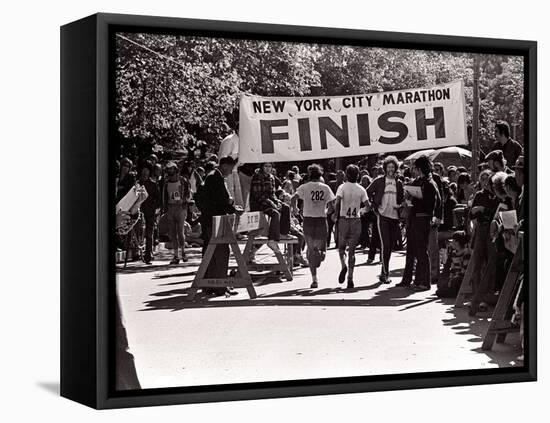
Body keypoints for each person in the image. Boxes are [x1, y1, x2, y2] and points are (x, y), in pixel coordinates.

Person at [199, 156, 242, 296]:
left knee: (211, 253)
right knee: (220, 252)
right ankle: (219, 285)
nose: (231, 171)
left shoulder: (213, 177)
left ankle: (210, 284)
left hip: (212, 219)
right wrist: (232, 208)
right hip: (215, 220)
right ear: (224, 165)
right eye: (230, 168)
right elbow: (219, 201)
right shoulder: (214, 178)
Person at [397, 156, 440, 291]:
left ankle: (424, 282)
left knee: (421, 251)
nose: (413, 171)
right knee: (411, 250)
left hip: (422, 219)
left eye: (415, 168)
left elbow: (431, 203)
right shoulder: (419, 181)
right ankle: (410, 279)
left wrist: (415, 199)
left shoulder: (429, 183)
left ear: (420, 168)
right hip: (414, 218)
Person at [292, 164, 336, 288]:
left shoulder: (304, 187)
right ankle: (317, 257)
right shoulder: (325, 187)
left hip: (308, 220)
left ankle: (314, 278)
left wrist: (295, 208)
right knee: (320, 251)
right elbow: (333, 205)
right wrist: (329, 212)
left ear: (310, 175)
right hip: (321, 220)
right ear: (320, 175)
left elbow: (293, 198)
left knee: (312, 250)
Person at [366, 155, 404, 284]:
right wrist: (374, 206)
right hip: (382, 216)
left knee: (390, 246)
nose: (391, 169)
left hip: (394, 217)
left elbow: (402, 198)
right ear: (385, 168)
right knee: (385, 245)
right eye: (388, 167)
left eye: (393, 167)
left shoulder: (399, 183)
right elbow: (367, 192)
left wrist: (401, 205)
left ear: (396, 168)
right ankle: (385, 273)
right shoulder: (379, 181)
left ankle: (384, 272)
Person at [333, 165, 368, 289]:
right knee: (352, 251)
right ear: (358, 175)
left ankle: (343, 266)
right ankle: (350, 278)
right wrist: (361, 211)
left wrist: (335, 216)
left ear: (346, 175)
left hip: (343, 220)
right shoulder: (361, 189)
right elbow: (368, 206)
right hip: (356, 220)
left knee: (342, 248)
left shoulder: (342, 187)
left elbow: (337, 203)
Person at [249, 162, 291, 253]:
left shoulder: (271, 177)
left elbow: (272, 194)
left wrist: (277, 202)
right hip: (258, 204)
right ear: (262, 167)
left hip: (269, 202)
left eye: (270, 166)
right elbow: (258, 195)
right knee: (275, 213)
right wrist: (272, 203)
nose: (268, 168)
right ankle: (272, 240)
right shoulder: (257, 177)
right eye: (266, 166)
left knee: (286, 207)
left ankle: (283, 233)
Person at [161, 162, 191, 264]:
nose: (170, 172)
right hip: (170, 207)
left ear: (176, 170)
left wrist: (184, 200)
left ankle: (183, 252)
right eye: (168, 170)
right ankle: (175, 255)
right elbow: (164, 196)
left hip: (181, 208)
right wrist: (164, 209)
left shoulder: (183, 181)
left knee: (180, 231)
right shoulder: (166, 182)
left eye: (172, 169)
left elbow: (188, 194)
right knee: (172, 232)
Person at [436, 230, 471, 298]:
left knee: (455, 282)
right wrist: (450, 278)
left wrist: (454, 279)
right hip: (455, 276)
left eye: (454, 241)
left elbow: (464, 270)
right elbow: (452, 268)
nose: (452, 243)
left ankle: (454, 292)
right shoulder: (454, 253)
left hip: (461, 278)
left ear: (458, 242)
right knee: (441, 285)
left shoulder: (466, 253)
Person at [138, 162, 160, 264]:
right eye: (144, 170)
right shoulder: (137, 184)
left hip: (150, 211)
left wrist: (156, 209)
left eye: (147, 170)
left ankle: (148, 254)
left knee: (149, 233)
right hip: (138, 210)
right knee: (140, 231)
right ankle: (139, 252)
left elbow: (158, 198)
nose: (145, 172)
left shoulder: (152, 185)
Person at [327, 170, 345, 248]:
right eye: (337, 175)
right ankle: (326, 243)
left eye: (341, 176)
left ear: (343, 177)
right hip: (331, 207)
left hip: (341, 208)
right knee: (328, 226)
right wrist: (330, 205)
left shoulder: (345, 186)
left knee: (339, 227)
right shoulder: (331, 184)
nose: (338, 177)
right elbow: (328, 195)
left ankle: (338, 243)